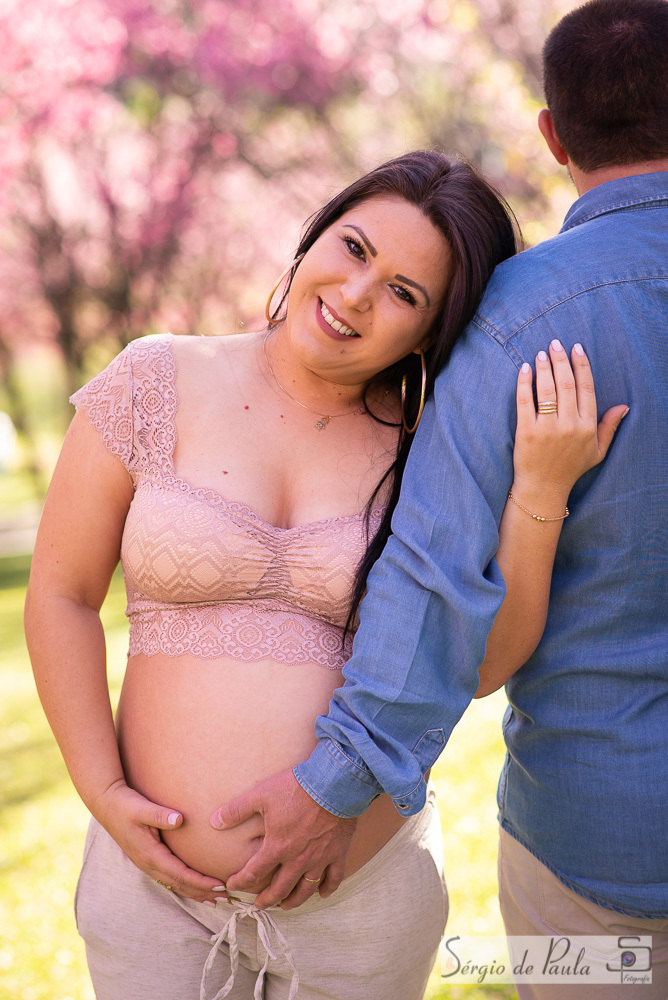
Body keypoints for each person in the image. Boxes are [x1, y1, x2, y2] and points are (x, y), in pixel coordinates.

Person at [25, 149, 623, 1000]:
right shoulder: (154, 379)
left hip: (359, 904)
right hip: (151, 896)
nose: (355, 295)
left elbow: (483, 662)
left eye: (405, 294)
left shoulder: (430, 451)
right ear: (313, 239)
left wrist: (540, 490)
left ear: (432, 329)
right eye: (353, 249)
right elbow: (61, 594)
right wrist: (103, 791)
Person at [211, 1, 668, 997]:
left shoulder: (519, 321)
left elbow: (431, 579)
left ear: (550, 137)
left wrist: (337, 779)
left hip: (586, 857)